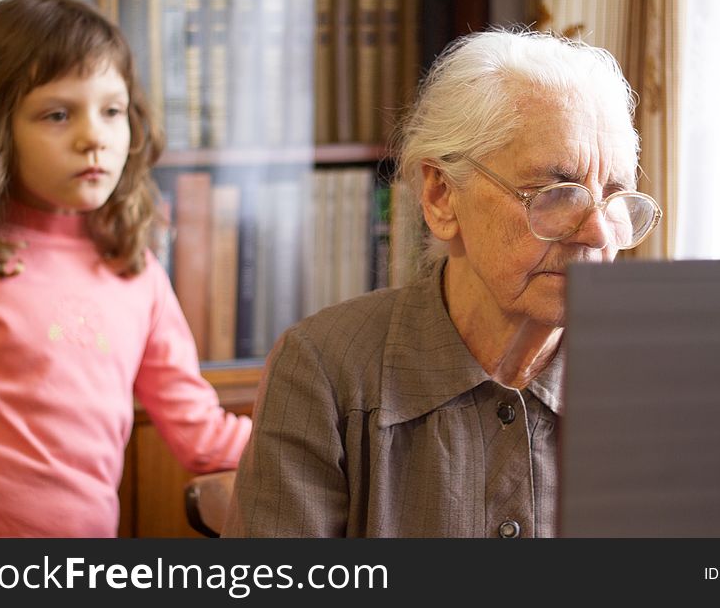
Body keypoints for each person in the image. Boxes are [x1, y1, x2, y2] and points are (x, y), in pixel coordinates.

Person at [222, 29, 662, 538]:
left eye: (615, 197)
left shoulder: (653, 385)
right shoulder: (324, 373)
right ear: (440, 197)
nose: (598, 232)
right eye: (556, 192)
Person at [0, 0, 252, 537]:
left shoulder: (136, 270)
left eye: (112, 111)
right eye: (57, 114)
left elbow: (198, 432)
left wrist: (316, 448)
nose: (94, 138)